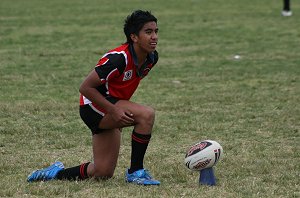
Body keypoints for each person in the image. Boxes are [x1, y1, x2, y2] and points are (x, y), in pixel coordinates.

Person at [27, 10, 160, 186]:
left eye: (156, 31)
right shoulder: (118, 59)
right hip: (93, 107)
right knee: (146, 115)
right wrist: (114, 110)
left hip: (110, 105)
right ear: (134, 37)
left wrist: (117, 110)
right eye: (148, 32)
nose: (154, 37)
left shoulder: (151, 58)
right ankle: (136, 172)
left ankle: (54, 173)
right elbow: (85, 87)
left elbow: (122, 86)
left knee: (102, 172)